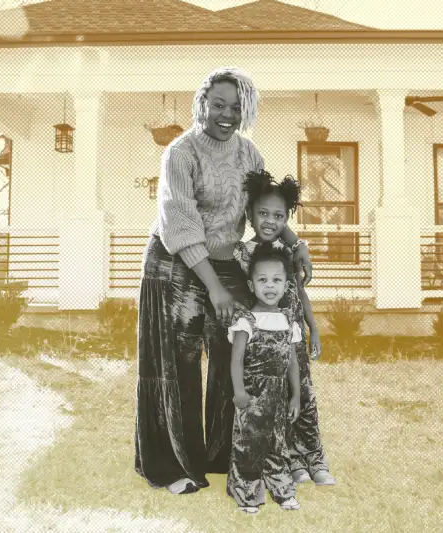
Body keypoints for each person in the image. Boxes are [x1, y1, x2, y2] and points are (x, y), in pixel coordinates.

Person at [134, 66, 313, 495]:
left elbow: (261, 210)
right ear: (203, 104)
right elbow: (179, 222)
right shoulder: (180, 152)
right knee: (175, 363)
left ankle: (220, 454)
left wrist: (294, 240)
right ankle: (173, 466)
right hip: (174, 263)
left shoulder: (250, 155)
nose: (226, 114)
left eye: (236, 107)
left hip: (225, 262)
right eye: (218, 105)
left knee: (232, 352)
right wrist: (214, 287)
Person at [234, 169, 336, 486]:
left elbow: (300, 292)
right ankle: (292, 459)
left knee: (303, 394)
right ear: (250, 214)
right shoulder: (242, 253)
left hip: (291, 336)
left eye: (278, 215)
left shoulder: (289, 252)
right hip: (264, 345)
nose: (270, 221)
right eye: (263, 213)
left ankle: (315, 457)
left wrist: (313, 327)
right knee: (278, 402)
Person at [227, 242, 302, 513]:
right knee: (249, 443)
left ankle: (282, 489)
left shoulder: (287, 320)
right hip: (252, 392)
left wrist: (295, 396)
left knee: (277, 443)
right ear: (251, 286)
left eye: (276, 280)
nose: (270, 286)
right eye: (262, 280)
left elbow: (292, 362)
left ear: (285, 286)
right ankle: (246, 492)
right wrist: (239, 392)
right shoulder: (246, 321)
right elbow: (235, 361)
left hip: (279, 394)